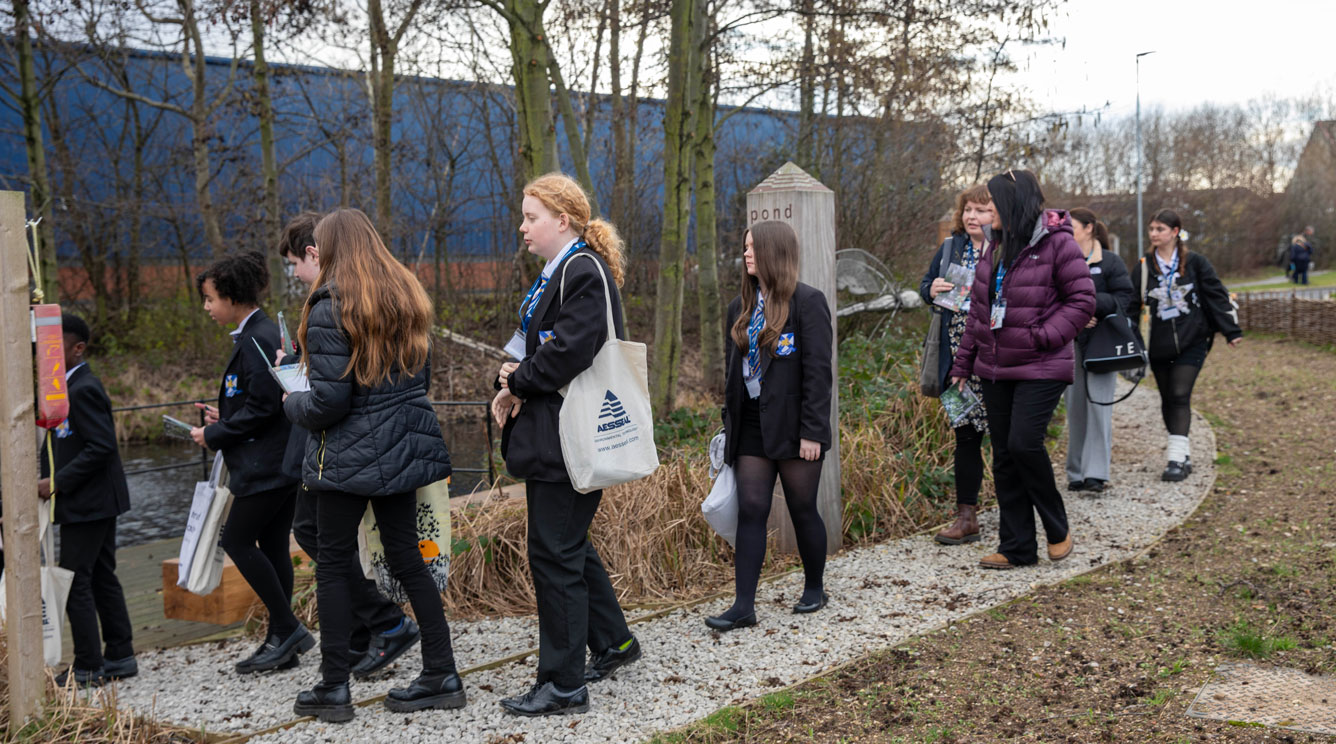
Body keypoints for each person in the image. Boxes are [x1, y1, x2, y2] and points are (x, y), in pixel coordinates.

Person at [284, 208, 460, 723]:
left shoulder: (329, 305)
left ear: (332, 247)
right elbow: (418, 380)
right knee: (407, 557)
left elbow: (328, 403)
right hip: (401, 444)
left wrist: (291, 405)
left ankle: (333, 687)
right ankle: (441, 672)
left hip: (349, 453)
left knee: (334, 564)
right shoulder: (405, 294)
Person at [492, 173, 639, 717]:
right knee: (568, 545)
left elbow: (571, 350)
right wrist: (512, 375)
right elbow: (536, 348)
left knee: (552, 554)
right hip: (555, 436)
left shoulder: (582, 271)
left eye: (532, 217)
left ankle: (562, 683)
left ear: (564, 220)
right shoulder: (558, 274)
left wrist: (518, 381)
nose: (523, 227)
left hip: (566, 439)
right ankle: (616, 643)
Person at [275, 213, 419, 679]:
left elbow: (336, 393)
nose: (295, 273)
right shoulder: (388, 293)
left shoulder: (331, 303)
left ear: (317, 254)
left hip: (339, 446)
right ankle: (386, 642)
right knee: (383, 550)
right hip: (381, 443)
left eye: (296, 262)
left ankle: (360, 648)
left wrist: (293, 399)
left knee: (325, 545)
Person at [949, 169, 1095, 570]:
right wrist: (963, 363)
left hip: (1041, 363)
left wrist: (1043, 336)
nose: (985, 213)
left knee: (1024, 444)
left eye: (992, 204)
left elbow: (1082, 300)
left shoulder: (1057, 244)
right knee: (1004, 457)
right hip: (995, 367)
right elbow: (979, 311)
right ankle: (1017, 547)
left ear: (1013, 204)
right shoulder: (993, 248)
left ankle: (1056, 525)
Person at [708, 219, 834, 629]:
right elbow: (732, 377)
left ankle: (814, 587)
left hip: (796, 428)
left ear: (774, 252)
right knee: (752, 510)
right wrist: (729, 428)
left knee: (801, 508)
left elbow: (818, 373)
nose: (746, 254)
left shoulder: (807, 303)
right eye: (744, 247)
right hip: (751, 427)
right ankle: (743, 606)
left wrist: (813, 432)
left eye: (753, 248)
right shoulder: (739, 308)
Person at [190, 252, 309, 674]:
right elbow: (261, 401)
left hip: (266, 466)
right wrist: (226, 418)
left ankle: (287, 628)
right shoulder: (257, 333)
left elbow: (264, 408)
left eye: (209, 299)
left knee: (237, 541)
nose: (206, 308)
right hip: (278, 463)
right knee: (274, 545)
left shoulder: (257, 336)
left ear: (232, 296)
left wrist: (215, 435)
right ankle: (282, 638)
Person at [39, 313, 136, 688]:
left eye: (55, 347)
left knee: (75, 579)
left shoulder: (84, 388)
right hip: (91, 501)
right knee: (99, 575)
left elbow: (102, 446)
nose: (47, 354)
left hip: (91, 502)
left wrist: (57, 482)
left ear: (78, 348)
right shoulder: (63, 389)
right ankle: (121, 654)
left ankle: (88, 665)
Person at [1127, 209, 1242, 482]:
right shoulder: (1144, 267)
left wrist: (1231, 330)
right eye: (1152, 229)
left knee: (1180, 394)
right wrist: (1131, 340)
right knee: (1167, 398)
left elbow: (1216, 294)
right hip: (1158, 344)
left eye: (1160, 229)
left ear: (1175, 232)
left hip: (1194, 340)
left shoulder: (1196, 263)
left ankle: (1175, 459)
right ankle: (1184, 451)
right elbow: (1131, 306)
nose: (1154, 234)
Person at [920, 185, 993, 545]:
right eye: (968, 209)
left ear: (997, 215)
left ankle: (1018, 515)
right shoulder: (952, 248)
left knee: (1009, 439)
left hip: (997, 361)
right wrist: (930, 289)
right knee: (965, 438)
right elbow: (924, 287)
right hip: (955, 363)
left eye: (981, 210)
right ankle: (966, 517)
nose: (972, 217)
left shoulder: (1008, 250)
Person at [1064, 208, 1133, 494]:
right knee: (1075, 409)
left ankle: (1096, 473)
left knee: (1100, 407)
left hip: (1103, 345)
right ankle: (1076, 472)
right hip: (1070, 343)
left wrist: (1091, 306)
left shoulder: (1111, 262)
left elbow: (1125, 298)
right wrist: (1075, 315)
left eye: (1073, 226)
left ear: (1089, 228)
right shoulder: (1061, 259)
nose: (1067, 231)